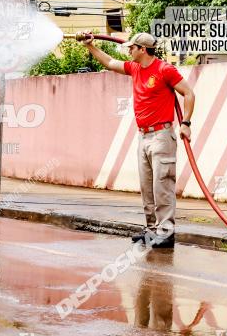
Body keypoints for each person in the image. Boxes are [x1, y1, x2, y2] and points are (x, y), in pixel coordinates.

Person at [81, 32, 195, 248]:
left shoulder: (164, 70)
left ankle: (166, 232)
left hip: (162, 135)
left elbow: (188, 93)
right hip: (143, 135)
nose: (129, 51)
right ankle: (152, 230)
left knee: (162, 186)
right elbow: (110, 63)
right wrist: (90, 47)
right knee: (147, 187)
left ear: (143, 49)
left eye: (132, 47)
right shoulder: (134, 68)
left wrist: (186, 123)